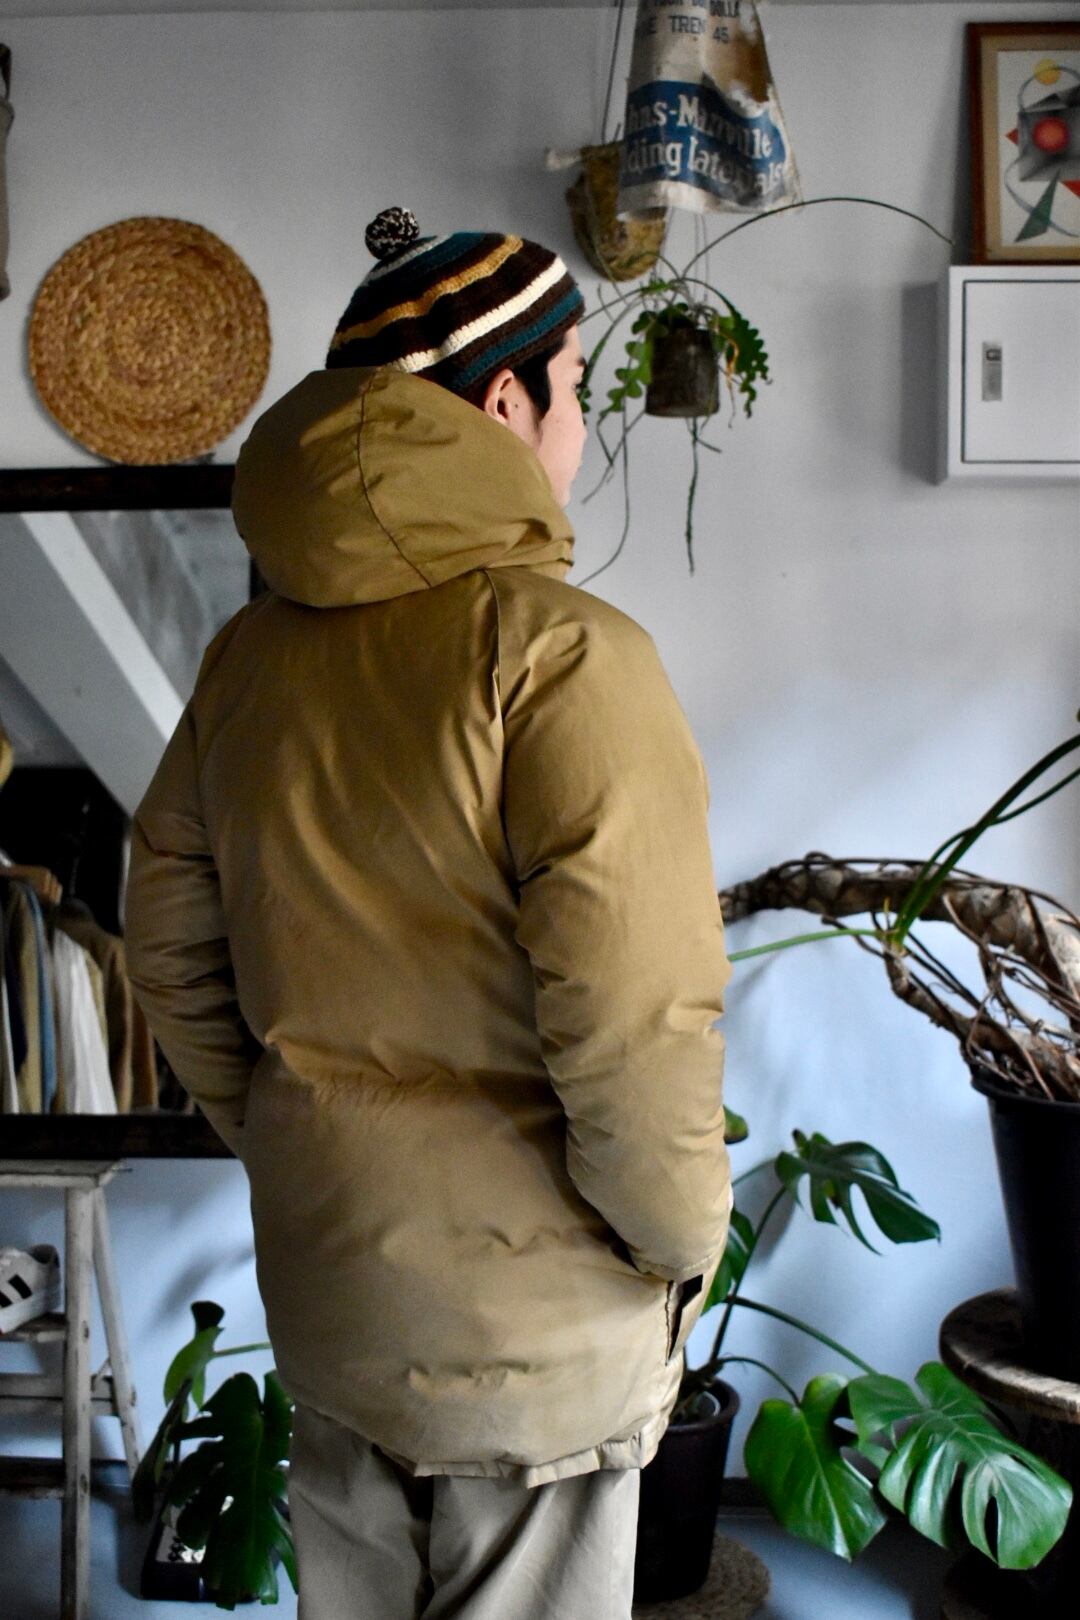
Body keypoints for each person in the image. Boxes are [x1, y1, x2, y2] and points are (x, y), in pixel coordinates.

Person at [125, 207, 732, 1620]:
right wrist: (673, 1247)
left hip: (338, 1287)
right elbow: (635, 1020)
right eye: (573, 384)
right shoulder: (561, 656)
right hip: (538, 1327)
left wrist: (307, 1135)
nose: (580, 425)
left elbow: (166, 946)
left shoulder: (245, 662)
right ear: (505, 400)